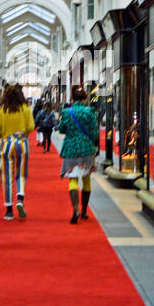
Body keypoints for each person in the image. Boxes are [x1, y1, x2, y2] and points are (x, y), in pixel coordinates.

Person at [57, 87, 100, 224]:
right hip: (86, 148)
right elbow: (95, 132)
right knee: (86, 179)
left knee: (73, 179)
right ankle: (84, 211)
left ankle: (75, 209)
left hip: (70, 148)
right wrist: (94, 144)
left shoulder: (67, 112)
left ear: (73, 99)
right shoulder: (89, 112)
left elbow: (61, 129)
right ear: (84, 99)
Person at [0, 83, 34, 221]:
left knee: (7, 176)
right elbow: (31, 126)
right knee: (21, 174)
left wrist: (3, 135)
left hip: (7, 143)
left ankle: (9, 210)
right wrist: (22, 133)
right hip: (22, 143)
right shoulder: (26, 108)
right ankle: (20, 198)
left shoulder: (1, 109)